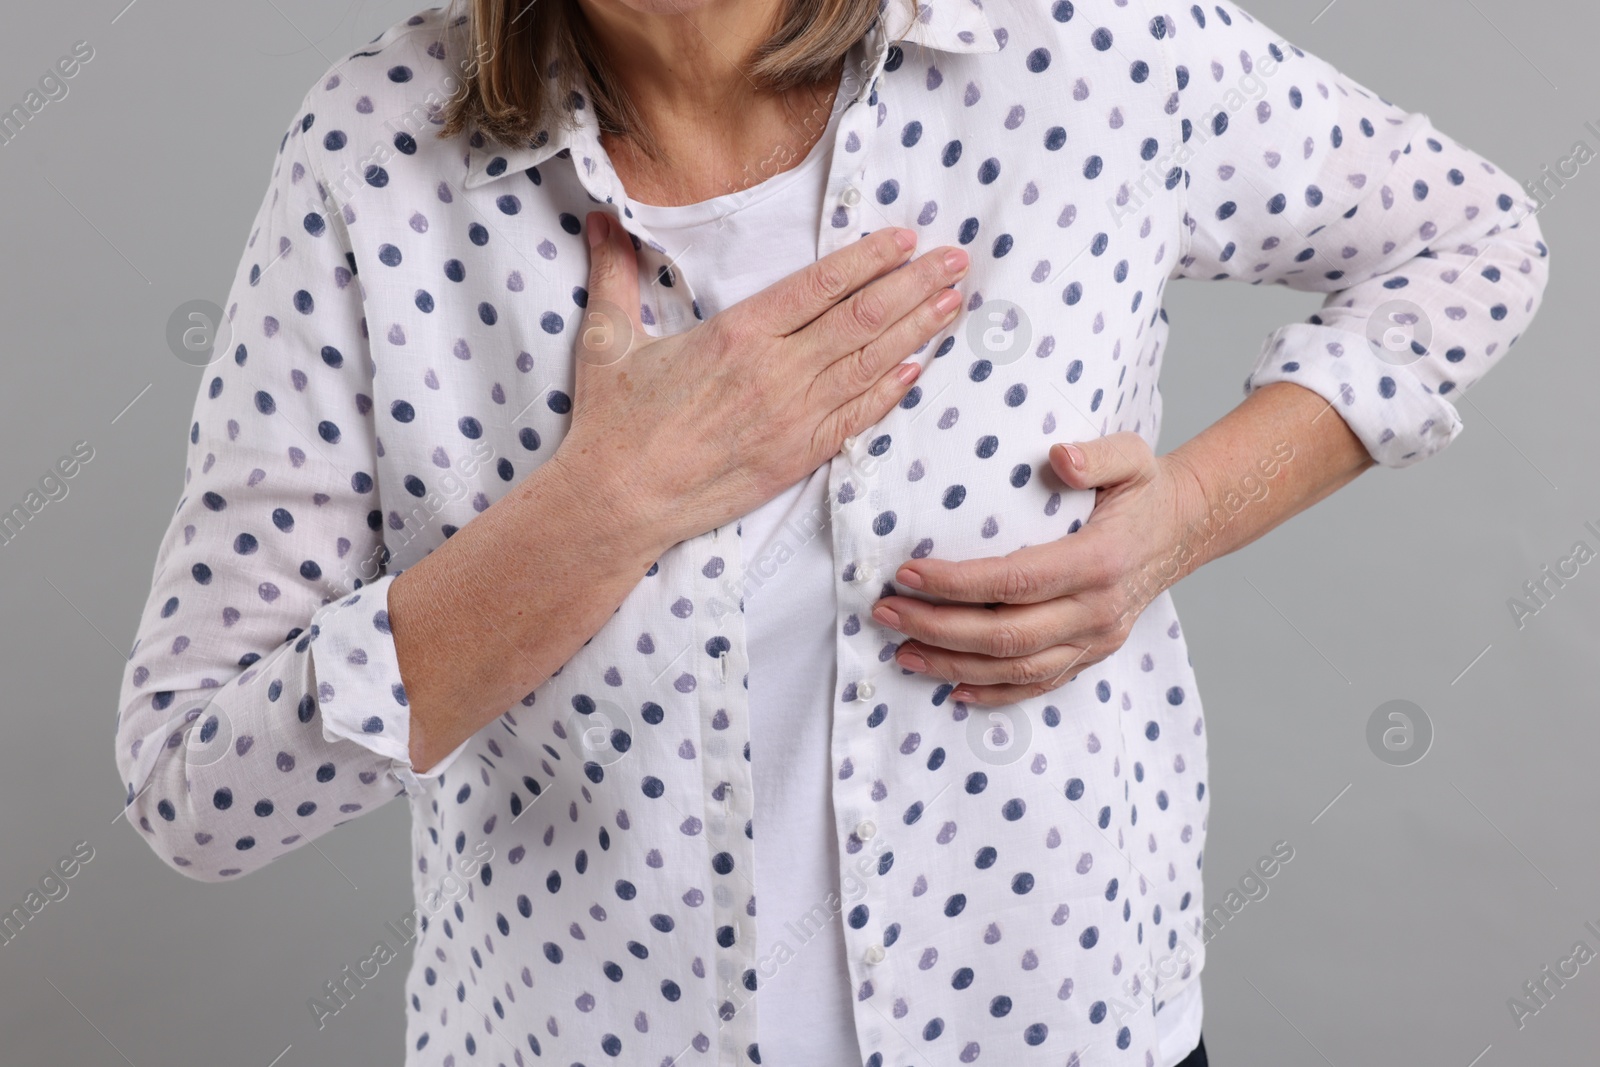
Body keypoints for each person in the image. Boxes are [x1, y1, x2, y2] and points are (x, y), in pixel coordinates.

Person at [113, 0, 1549, 1063]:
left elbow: (1473, 240)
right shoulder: (375, 153)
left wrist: (1188, 517)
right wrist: (606, 509)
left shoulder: (1088, 51)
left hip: (1060, 1022)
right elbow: (197, 780)